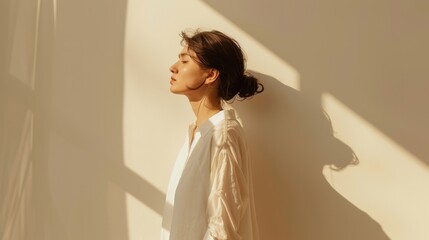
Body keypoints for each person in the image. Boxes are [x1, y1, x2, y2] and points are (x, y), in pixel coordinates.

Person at [161, 29, 263, 240]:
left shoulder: (222, 135)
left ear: (211, 75)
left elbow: (222, 228)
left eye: (185, 61)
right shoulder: (197, 134)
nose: (173, 67)